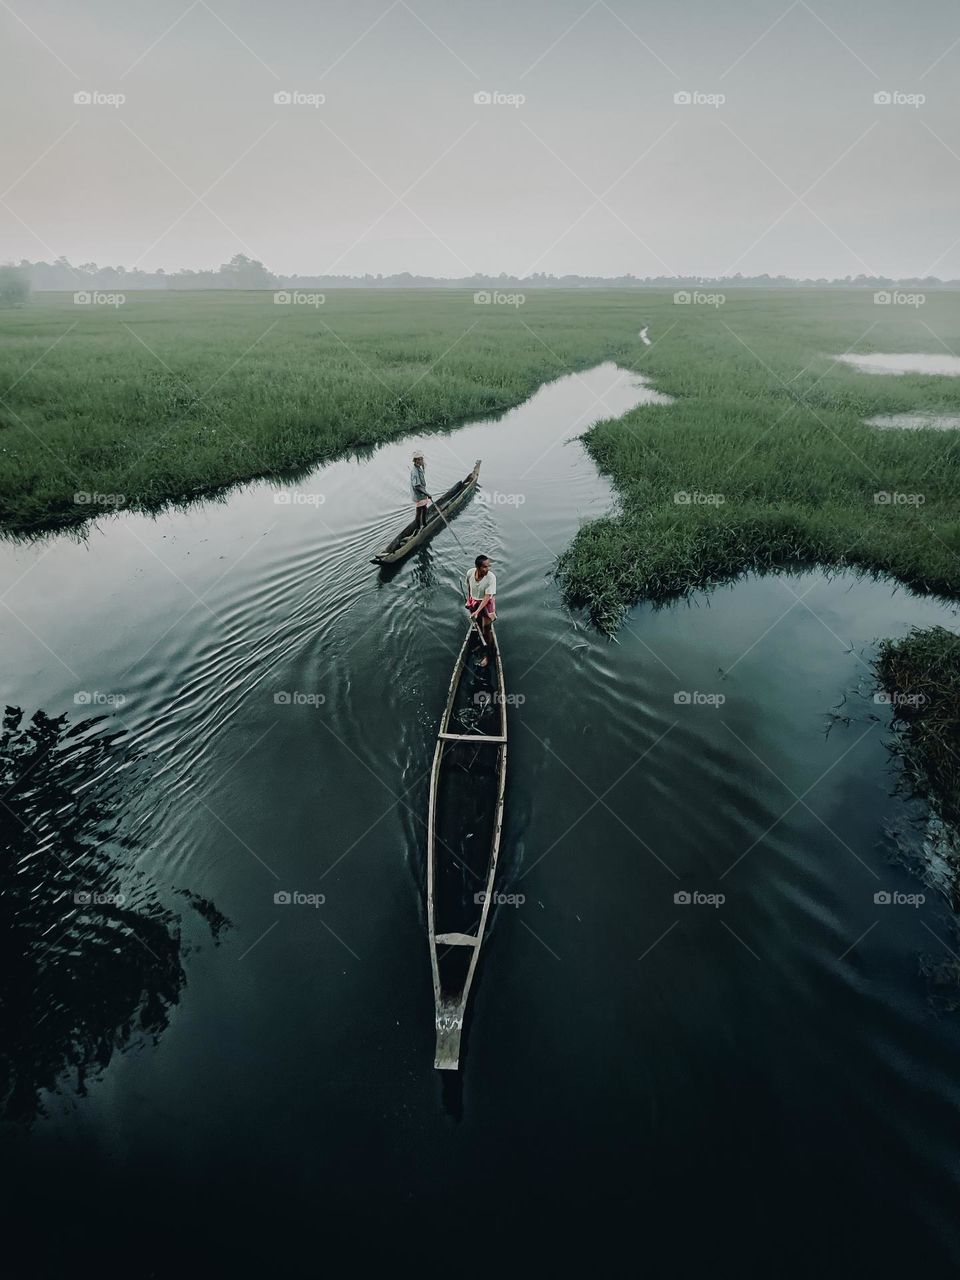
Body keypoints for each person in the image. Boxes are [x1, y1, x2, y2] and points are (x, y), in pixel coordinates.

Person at [465, 554, 497, 668]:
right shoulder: (470, 573)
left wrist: (477, 611)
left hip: (486, 604)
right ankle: (480, 644)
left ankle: (488, 655)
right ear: (477, 567)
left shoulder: (491, 578)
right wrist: (468, 600)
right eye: (485, 567)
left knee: (486, 630)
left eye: (489, 566)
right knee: (478, 624)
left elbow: (487, 597)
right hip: (475, 602)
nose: (488, 569)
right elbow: (469, 586)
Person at [410, 451, 429, 530]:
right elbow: (417, 486)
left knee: (424, 509)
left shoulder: (418, 468)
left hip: (421, 494)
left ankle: (424, 524)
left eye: (422, 459)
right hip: (419, 495)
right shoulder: (415, 471)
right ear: (416, 460)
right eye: (420, 459)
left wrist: (425, 493)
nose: (422, 460)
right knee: (419, 512)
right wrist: (427, 493)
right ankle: (418, 528)